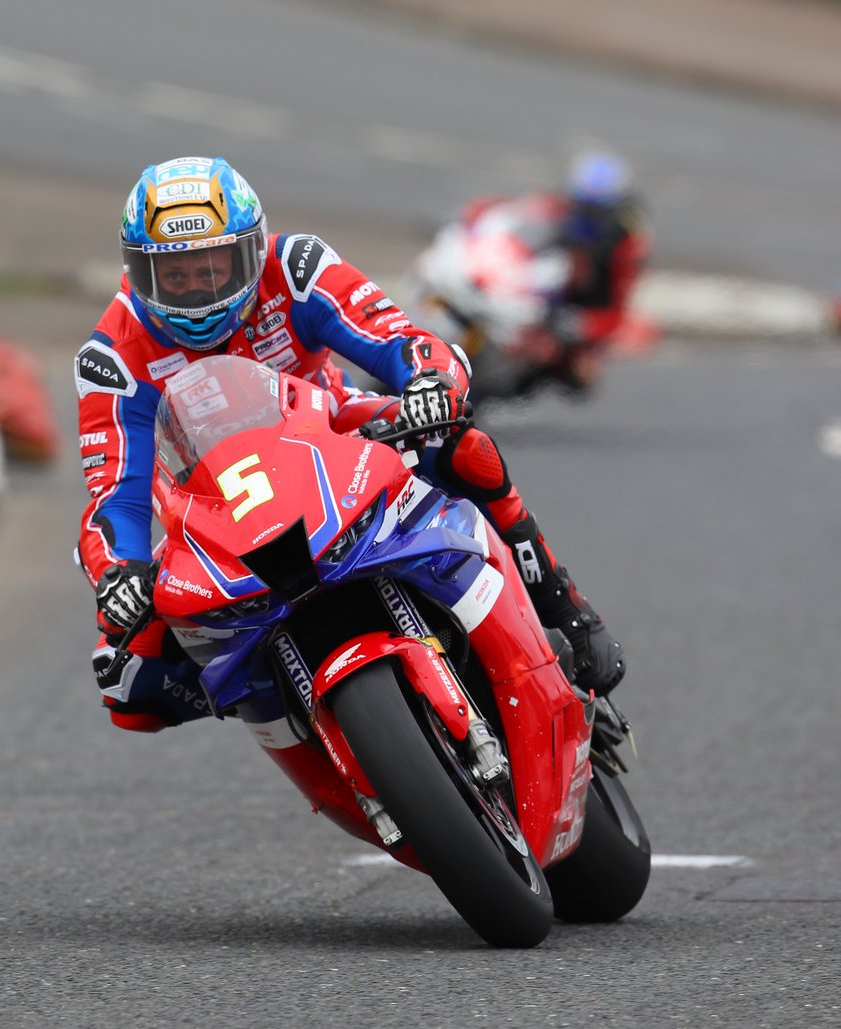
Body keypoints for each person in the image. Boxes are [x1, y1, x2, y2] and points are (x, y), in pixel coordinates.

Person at [74, 155, 625, 732]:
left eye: (212, 268)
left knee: (462, 448)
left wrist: (430, 381)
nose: (196, 291)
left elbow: (396, 336)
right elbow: (116, 492)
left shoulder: (297, 266)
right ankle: (293, 721)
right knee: (128, 682)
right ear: (139, 273)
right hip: (215, 509)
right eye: (176, 275)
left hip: (333, 432)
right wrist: (119, 573)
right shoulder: (111, 356)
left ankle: (564, 609)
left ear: (252, 251)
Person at [407, 150, 650, 402]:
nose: (587, 215)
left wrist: (580, 326)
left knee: (579, 372)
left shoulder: (626, 250)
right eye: (583, 205)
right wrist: (468, 218)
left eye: (596, 211)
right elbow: (507, 212)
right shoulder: (558, 209)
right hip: (537, 286)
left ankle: (496, 390)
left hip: (577, 308)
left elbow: (616, 315)